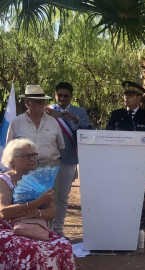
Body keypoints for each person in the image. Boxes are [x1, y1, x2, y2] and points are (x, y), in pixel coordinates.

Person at [0, 139, 75, 269]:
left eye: (34, 155)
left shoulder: (39, 181)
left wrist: (37, 212)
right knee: (29, 248)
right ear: (12, 160)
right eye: (27, 155)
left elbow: (52, 213)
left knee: (63, 245)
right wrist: (37, 203)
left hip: (33, 225)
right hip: (7, 228)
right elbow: (4, 212)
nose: (32, 158)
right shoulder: (4, 181)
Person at [46, 81, 93, 236]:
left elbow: (89, 131)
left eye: (66, 96)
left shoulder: (79, 112)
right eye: (59, 95)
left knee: (63, 196)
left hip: (69, 159)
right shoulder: (47, 111)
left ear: (71, 97)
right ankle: (47, 229)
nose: (62, 98)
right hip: (49, 159)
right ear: (55, 95)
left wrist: (75, 119)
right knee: (48, 196)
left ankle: (58, 230)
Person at [6, 85, 65, 169]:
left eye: (43, 101)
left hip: (50, 168)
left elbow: (61, 146)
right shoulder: (16, 123)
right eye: (38, 101)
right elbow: (9, 149)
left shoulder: (53, 122)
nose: (42, 104)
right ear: (27, 103)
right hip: (25, 169)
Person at [105, 81, 145, 146]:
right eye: (125, 95)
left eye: (130, 95)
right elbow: (107, 134)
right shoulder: (117, 114)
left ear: (138, 98)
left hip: (140, 152)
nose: (126, 97)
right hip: (118, 152)